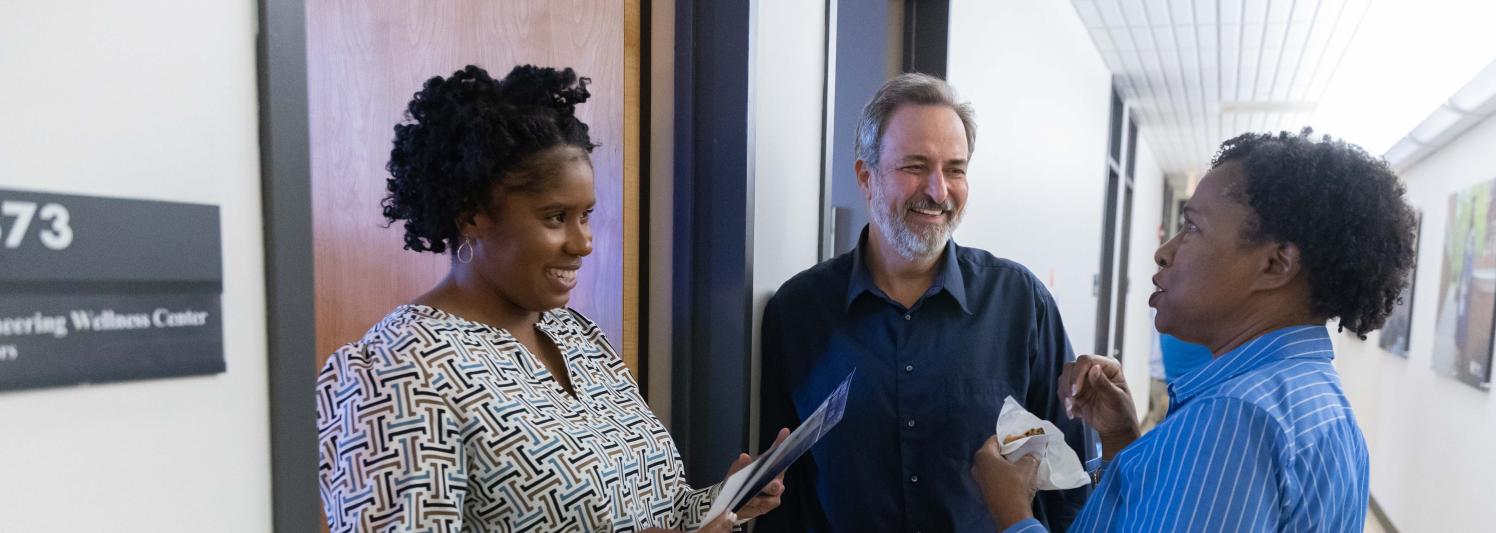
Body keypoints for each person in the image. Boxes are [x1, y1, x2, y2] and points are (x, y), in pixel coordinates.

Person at [316, 65, 785, 532]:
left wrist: (721, 503)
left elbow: (643, 513)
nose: (583, 244)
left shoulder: (576, 335)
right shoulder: (396, 371)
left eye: (586, 216)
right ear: (472, 215)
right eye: (556, 217)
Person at [974, 129, 1415, 532]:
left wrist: (1014, 511)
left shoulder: (1235, 420)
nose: (1163, 253)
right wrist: (1122, 442)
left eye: (1192, 228)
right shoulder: (1318, 400)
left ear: (1275, 265)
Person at [757, 73, 1089, 532]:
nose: (938, 190)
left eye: (955, 169)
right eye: (915, 166)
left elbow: (1070, 488)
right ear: (865, 177)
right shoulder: (797, 313)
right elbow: (783, 501)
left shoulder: (1021, 304)